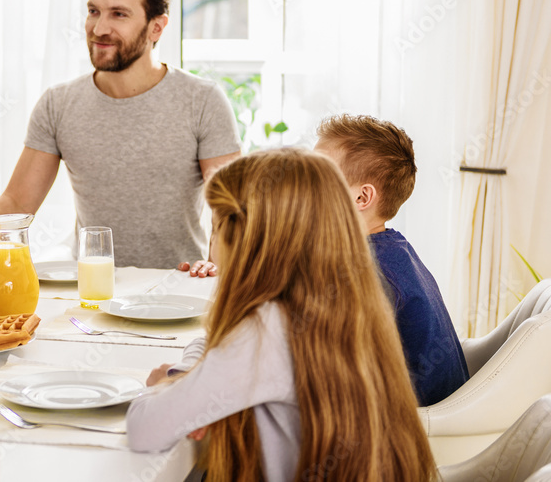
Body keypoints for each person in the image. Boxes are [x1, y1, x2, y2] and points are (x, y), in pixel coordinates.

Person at [126, 148, 436, 481]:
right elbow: (230, 357)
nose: (212, 244)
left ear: (246, 240)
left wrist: (172, 382)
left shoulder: (266, 329)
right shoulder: (353, 301)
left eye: (215, 228)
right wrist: (199, 375)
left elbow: (145, 429)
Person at [0, 0, 239, 273]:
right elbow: (16, 202)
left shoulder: (203, 101)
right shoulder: (58, 104)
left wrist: (215, 267)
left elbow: (230, 211)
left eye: (119, 14)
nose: (99, 28)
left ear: (156, 28)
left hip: (178, 290)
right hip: (92, 291)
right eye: (94, 11)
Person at [314, 114, 469, 406]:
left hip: (414, 427)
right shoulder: (390, 248)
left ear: (361, 198)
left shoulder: (372, 272)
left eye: (316, 175)